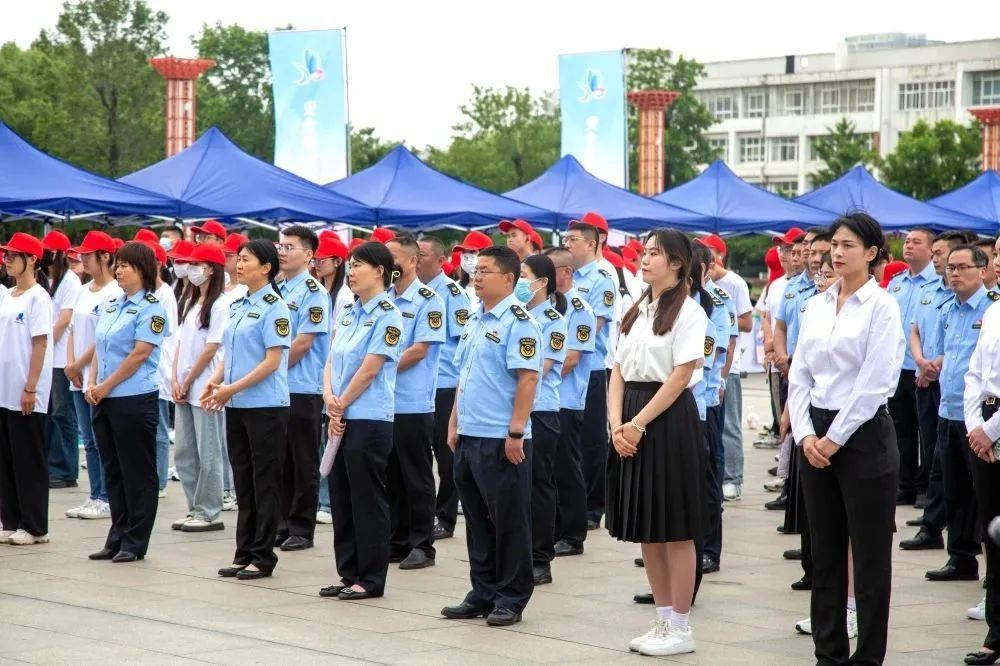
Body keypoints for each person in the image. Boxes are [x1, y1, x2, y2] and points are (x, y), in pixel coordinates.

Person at [789, 212, 903, 666]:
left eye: (848, 246)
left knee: (870, 557)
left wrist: (833, 439)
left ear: (871, 253)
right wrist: (805, 435)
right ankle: (828, 652)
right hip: (814, 433)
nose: (836, 253)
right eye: (834, 244)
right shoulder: (816, 304)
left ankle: (868, 656)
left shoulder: (882, 307)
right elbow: (800, 374)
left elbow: (876, 383)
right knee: (825, 552)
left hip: (862, 435)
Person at [607, 229, 707, 657]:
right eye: (644, 253)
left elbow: (681, 376)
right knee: (648, 524)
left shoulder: (689, 312)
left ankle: (681, 626)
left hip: (665, 418)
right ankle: (663, 618)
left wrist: (638, 424)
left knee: (675, 527)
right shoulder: (636, 309)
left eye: (655, 254)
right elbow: (617, 370)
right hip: (630, 415)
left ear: (678, 264)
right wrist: (616, 424)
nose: (644, 260)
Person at [441, 245, 542, 627]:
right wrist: (453, 423)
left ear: (509, 279)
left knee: (510, 520)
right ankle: (482, 591)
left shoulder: (519, 322)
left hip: (502, 438)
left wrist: (516, 431)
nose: (476, 276)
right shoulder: (474, 320)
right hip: (469, 433)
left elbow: (528, 379)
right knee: (479, 521)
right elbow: (462, 377)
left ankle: (511, 597)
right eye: (475, 270)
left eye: (485, 270)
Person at [319, 241, 404, 600]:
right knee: (341, 496)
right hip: (340, 413)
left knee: (367, 497)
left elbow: (371, 367)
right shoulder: (350, 311)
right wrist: (329, 400)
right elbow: (331, 361)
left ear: (380, 271)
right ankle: (348, 570)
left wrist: (342, 404)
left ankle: (370, 577)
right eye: (350, 266)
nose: (350, 272)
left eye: (358, 266)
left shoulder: (389, 313)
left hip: (368, 417)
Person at [202, 239, 290, 580]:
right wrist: (215, 380)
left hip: (265, 406)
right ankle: (244, 551)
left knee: (264, 481)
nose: (238, 265)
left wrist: (229, 390)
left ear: (266, 267)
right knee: (244, 481)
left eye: (246, 260)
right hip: (237, 404)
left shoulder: (275, 307)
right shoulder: (238, 304)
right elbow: (231, 353)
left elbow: (272, 362)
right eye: (237, 259)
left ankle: (262, 555)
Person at [86, 242, 169, 563]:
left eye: (126, 266)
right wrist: (93, 383)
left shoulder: (152, 307)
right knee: (113, 469)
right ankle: (117, 534)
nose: (119, 270)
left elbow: (140, 353)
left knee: (138, 472)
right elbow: (99, 346)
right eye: (117, 265)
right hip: (104, 397)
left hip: (133, 398)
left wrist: (106, 385)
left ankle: (135, 540)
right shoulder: (112, 304)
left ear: (143, 270)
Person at [923, 244, 993, 584]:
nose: (954, 273)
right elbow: (943, 355)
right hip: (949, 409)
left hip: (981, 417)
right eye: (950, 267)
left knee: (985, 493)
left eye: (962, 267)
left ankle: (990, 567)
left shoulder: (991, 311)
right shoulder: (946, 309)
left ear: (982, 271)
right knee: (955, 488)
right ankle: (961, 557)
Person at [900, 231, 968, 553]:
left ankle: (956, 533)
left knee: (957, 467)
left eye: (946, 255)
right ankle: (934, 522)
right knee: (934, 455)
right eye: (941, 256)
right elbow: (916, 330)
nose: (945, 263)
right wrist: (921, 361)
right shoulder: (932, 293)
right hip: (929, 380)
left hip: (958, 388)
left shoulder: (981, 303)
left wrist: (935, 364)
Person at [384, 231, 445, 570]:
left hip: (412, 402)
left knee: (417, 476)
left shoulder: (427, 300)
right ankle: (398, 540)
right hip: (383, 402)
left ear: (412, 261)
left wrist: (378, 366)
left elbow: (420, 349)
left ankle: (423, 544)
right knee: (391, 475)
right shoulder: (384, 298)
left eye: (393, 257)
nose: (387, 263)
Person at [273, 226, 329, 552]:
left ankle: (301, 527)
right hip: (277, 388)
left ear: (308, 255)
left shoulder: (313, 292)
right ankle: (282, 522)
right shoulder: (276, 288)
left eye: (290, 247)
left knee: (303, 458)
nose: (282, 252)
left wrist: (271, 368)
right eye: (281, 246)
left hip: (302, 387)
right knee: (281, 460)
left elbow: (304, 342)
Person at [543, 247, 596, 569]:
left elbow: (572, 357)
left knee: (566, 466)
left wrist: (537, 381)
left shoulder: (579, 309)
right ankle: (553, 527)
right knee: (547, 469)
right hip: (545, 399)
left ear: (564, 273)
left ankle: (573, 534)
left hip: (565, 398)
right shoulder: (545, 307)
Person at [416, 235, 472, 541]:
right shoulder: (412, 293)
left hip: (444, 384)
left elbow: (462, 341)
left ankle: (445, 515)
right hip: (417, 385)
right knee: (418, 455)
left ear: (441, 261)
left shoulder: (452, 294)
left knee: (445, 453)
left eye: (423, 254)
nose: (417, 259)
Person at [0, 233, 54, 546]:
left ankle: (34, 525)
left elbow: (40, 342)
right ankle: (11, 518)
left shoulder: (38, 298)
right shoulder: (7, 295)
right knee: (6, 456)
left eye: (14, 255)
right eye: (6, 255)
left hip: (26, 388)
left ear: (32, 259)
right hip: (4, 388)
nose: (7, 260)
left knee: (27, 458)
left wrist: (31, 387)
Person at [564, 216, 617, 532]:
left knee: (591, 439)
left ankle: (593, 506)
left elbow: (592, 328)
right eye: (566, 239)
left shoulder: (601, 279)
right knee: (569, 440)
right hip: (562, 367)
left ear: (591, 243)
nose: (567, 244)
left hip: (590, 368)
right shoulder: (564, 278)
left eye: (573, 239)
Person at [171, 243, 228, 533]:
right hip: (185, 386)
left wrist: (190, 378)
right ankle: (194, 506)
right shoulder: (190, 301)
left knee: (208, 453)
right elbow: (180, 343)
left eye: (197, 265)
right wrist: (175, 378)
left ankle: (209, 510)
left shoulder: (220, 304)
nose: (191, 269)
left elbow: (211, 349)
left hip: (205, 387)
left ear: (211, 269)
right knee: (184, 452)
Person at [64, 231, 121, 521]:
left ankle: (106, 497)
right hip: (78, 375)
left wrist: (81, 366)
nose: (83, 259)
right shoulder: (84, 290)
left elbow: (103, 337)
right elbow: (74, 328)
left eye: (88, 254)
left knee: (102, 440)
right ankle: (94, 494)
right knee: (88, 439)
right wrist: (71, 363)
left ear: (105, 256)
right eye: (82, 254)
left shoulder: (115, 292)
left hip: (98, 376)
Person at [962, 243, 1000, 664]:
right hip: (984, 423)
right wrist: (976, 425)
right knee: (993, 532)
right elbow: (974, 373)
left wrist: (990, 430)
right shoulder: (992, 310)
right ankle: (996, 629)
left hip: (996, 426)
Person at [519, 254, 567, 586]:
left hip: (542, 410)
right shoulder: (515, 316)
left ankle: (540, 559)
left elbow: (543, 367)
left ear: (542, 282)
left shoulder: (552, 319)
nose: (519, 281)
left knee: (540, 485)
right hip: (512, 409)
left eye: (524, 275)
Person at [698, 234, 752, 502]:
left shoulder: (730, 288)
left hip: (722, 371)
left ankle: (731, 478)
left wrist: (720, 378)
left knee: (726, 428)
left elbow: (738, 331)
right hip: (697, 381)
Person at [886, 227, 937, 506]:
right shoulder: (896, 283)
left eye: (916, 242)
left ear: (930, 249)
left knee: (926, 431)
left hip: (923, 369)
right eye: (907, 241)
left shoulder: (937, 283)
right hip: (897, 368)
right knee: (900, 430)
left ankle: (925, 486)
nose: (909, 246)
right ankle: (903, 485)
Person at [41, 231, 82, 490]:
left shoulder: (70, 282)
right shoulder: (49, 280)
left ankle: (65, 468)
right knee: (50, 414)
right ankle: (52, 463)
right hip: (49, 358)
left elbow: (65, 318)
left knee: (62, 414)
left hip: (58, 358)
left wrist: (45, 345)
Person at [143, 239, 179, 499]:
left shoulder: (164, 295)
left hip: (160, 367)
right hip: (145, 370)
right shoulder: (144, 293)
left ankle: (158, 480)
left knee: (158, 429)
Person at [453, 231, 493, 309]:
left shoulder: (497, 289)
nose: (466, 256)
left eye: (472, 252)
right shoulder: (454, 288)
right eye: (464, 252)